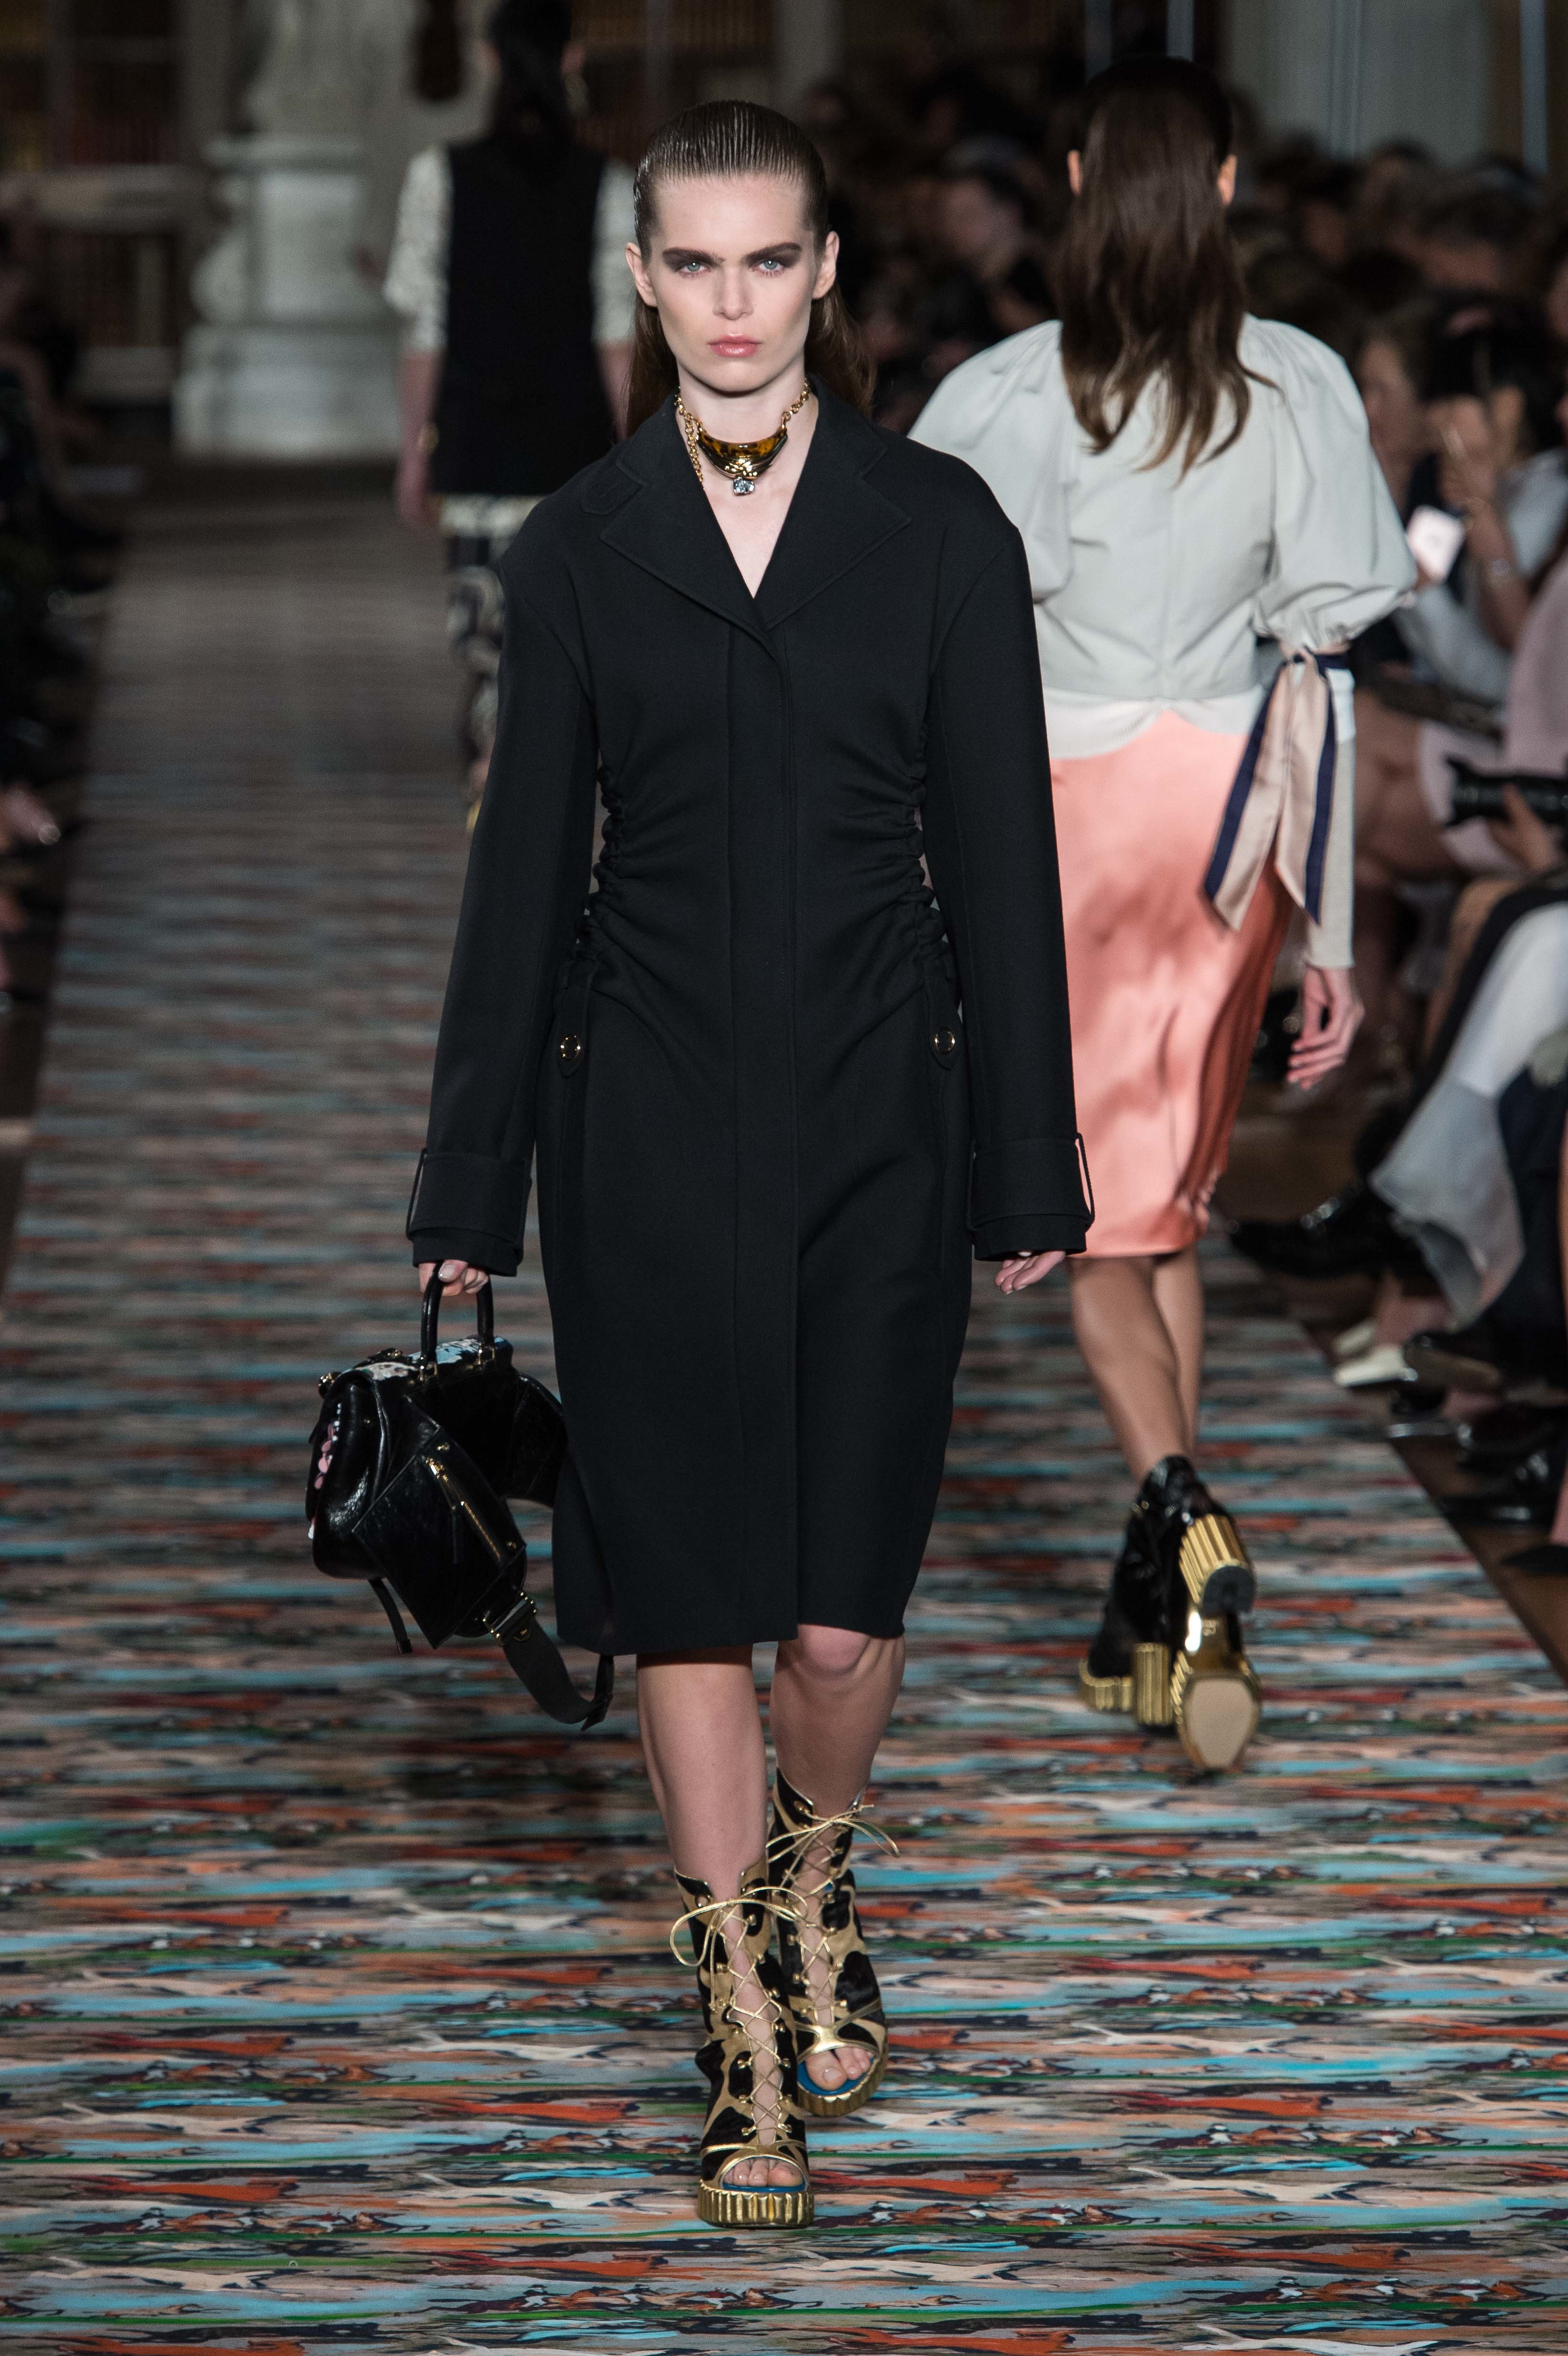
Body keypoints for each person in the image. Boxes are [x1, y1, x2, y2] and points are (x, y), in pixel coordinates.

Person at [406, 100, 1089, 2228]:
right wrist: (467, 1192)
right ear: (642, 279)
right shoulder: (582, 544)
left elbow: (1003, 860)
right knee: (691, 1589)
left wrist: (1029, 1158)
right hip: (645, 1117)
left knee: (836, 1620)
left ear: (823, 272)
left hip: (885, 1107)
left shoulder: (939, 528)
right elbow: (523, 883)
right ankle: (738, 2029)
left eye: (764, 260)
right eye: (690, 264)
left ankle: (814, 1867)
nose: (729, 303)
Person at [915, 57, 1413, 1772]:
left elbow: (921, 644)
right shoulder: (1298, 385)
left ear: (1072, 178)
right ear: (1222, 185)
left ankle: (1177, 1504)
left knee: (1102, 1219)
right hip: (1223, 816)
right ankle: (1173, 1612)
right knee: (1164, 1215)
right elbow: (1322, 673)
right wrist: (1331, 931)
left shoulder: (1001, 395)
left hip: (1055, 810)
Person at [384, 0, 634, 814]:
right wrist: (640, 451)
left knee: (492, 626)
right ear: (573, 59)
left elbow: (427, 331)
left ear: (489, 59)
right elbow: (616, 338)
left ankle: (498, 761)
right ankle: (534, 764)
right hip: (574, 439)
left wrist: (414, 450)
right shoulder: (607, 187)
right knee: (567, 618)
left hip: (478, 433)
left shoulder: (440, 177)